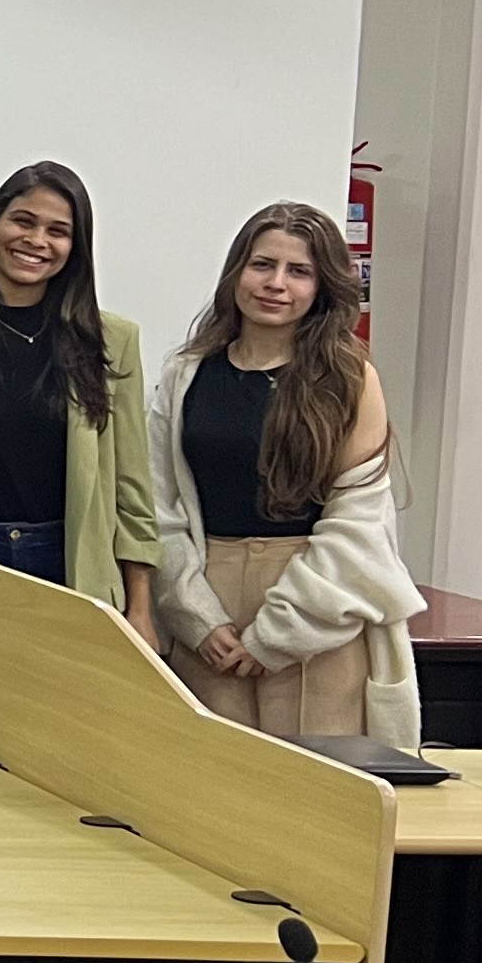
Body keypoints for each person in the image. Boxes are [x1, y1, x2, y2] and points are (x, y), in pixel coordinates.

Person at [150, 202, 420, 743]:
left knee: (319, 799)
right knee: (212, 788)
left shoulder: (349, 379)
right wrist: (196, 617)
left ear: (322, 288)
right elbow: (162, 507)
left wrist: (279, 635)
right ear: (235, 274)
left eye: (299, 272)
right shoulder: (185, 374)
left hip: (318, 612)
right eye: (262, 265)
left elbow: (360, 523)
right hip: (210, 607)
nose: (276, 284)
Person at [0, 163, 156, 730]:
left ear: (76, 247)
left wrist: (140, 607)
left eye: (57, 230)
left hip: (62, 560)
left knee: (49, 729)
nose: (36, 241)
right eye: (23, 220)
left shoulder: (111, 341)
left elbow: (132, 492)